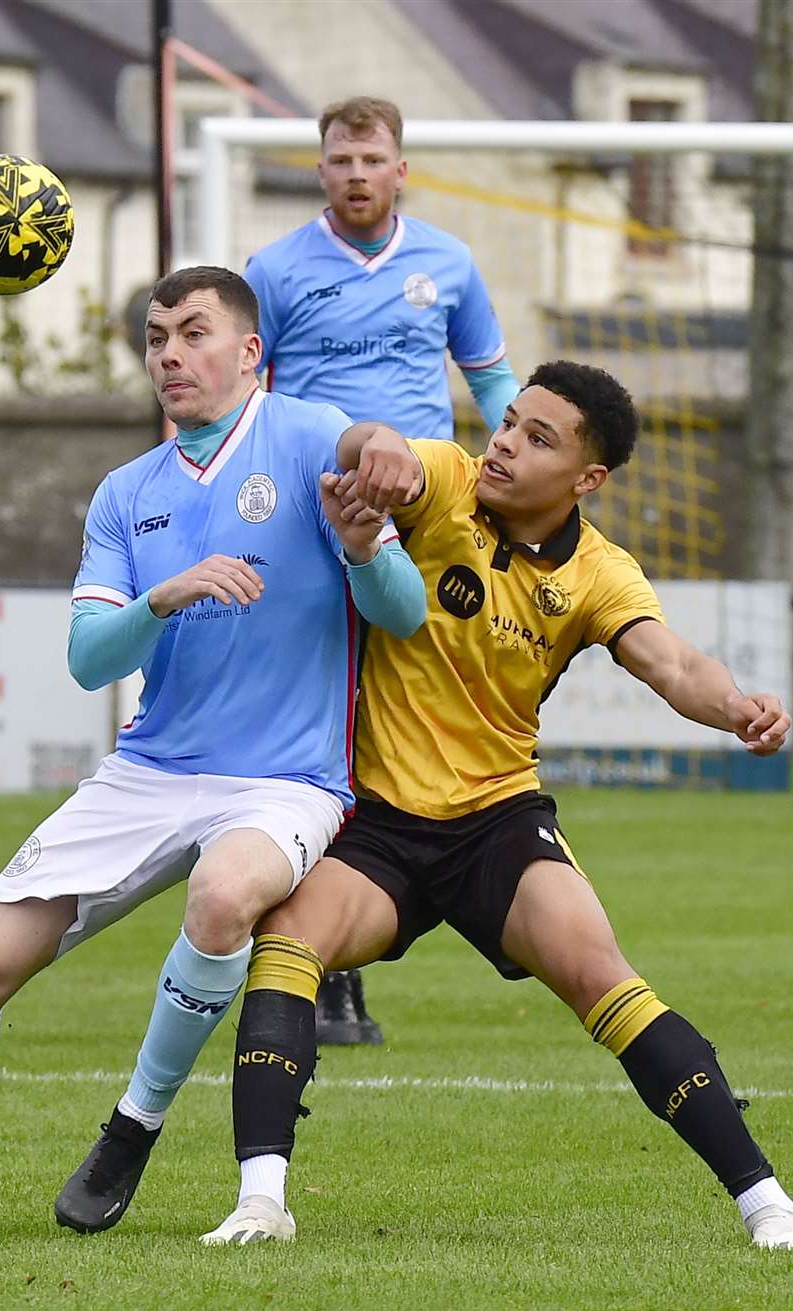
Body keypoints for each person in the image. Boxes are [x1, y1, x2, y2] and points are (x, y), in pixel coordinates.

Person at [0, 266, 426, 1234]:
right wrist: (165, 594)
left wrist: (368, 530)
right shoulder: (125, 493)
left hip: (287, 780)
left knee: (224, 897)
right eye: (154, 338)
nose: (170, 355)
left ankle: (132, 1128)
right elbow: (90, 660)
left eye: (193, 333)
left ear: (249, 352)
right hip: (148, 771)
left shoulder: (308, 436)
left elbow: (404, 609)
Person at [201, 360, 793, 1252]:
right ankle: (262, 1203)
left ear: (587, 478)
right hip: (376, 820)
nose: (505, 445)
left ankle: (768, 1204)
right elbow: (391, 456)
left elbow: (673, 664)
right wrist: (375, 448)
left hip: (497, 824)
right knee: (289, 943)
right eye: (508, 424)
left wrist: (739, 710)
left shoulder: (601, 573)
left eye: (539, 439)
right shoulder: (448, 482)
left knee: (602, 976)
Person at [246, 94, 520, 1044]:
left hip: (430, 519)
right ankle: (317, 954)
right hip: (317, 519)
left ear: (401, 169)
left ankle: (349, 944)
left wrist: (525, 469)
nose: (356, 174)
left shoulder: (447, 262)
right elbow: (240, 398)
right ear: (318, 170)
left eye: (371, 159)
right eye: (338, 160)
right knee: (330, 722)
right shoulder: (274, 270)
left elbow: (490, 379)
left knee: (404, 720)